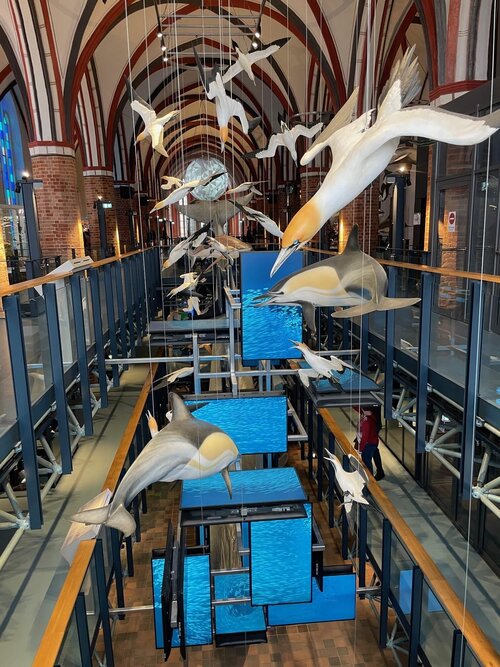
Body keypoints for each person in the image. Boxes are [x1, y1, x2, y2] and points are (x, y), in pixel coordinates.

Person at [354, 406, 385, 481]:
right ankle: (374, 477)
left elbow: (365, 437)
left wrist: (360, 449)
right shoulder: (372, 416)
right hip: (372, 442)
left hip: (368, 444)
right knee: (373, 455)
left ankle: (370, 482)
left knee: (367, 464)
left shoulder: (367, 421)